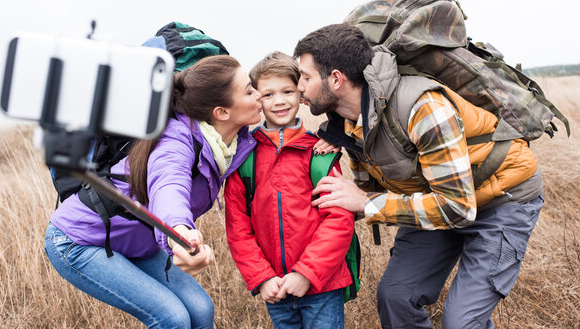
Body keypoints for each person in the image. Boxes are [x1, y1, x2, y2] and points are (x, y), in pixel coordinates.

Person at [293, 23, 543, 329]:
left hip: (500, 199)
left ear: (335, 79)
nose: (298, 87)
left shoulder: (423, 108)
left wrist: (365, 202)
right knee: (395, 296)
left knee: (462, 322)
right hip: (435, 198)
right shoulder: (346, 125)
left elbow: (456, 208)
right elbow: (362, 193)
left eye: (305, 77)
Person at [45, 28, 262, 328]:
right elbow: (167, 185)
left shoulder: (233, 142)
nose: (259, 95)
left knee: (201, 310)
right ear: (222, 112)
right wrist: (181, 230)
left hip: (137, 242)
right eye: (250, 91)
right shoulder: (175, 141)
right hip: (80, 240)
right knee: (172, 318)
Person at [224, 51, 354, 328]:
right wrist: (262, 277)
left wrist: (306, 273)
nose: (279, 101)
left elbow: (339, 221)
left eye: (287, 91)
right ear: (256, 98)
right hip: (275, 288)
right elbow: (238, 228)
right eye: (268, 94)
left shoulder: (319, 152)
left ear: (301, 95)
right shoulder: (245, 156)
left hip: (321, 286)